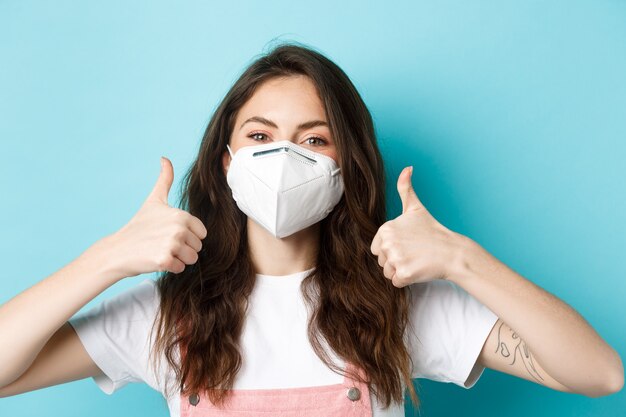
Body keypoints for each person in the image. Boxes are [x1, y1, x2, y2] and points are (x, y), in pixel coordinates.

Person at [0, 41, 622, 417]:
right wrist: (107, 259)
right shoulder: (169, 315)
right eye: (260, 136)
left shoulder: (395, 308)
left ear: (345, 167)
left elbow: (599, 373)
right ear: (228, 161)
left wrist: (461, 259)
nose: (282, 157)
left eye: (313, 139)